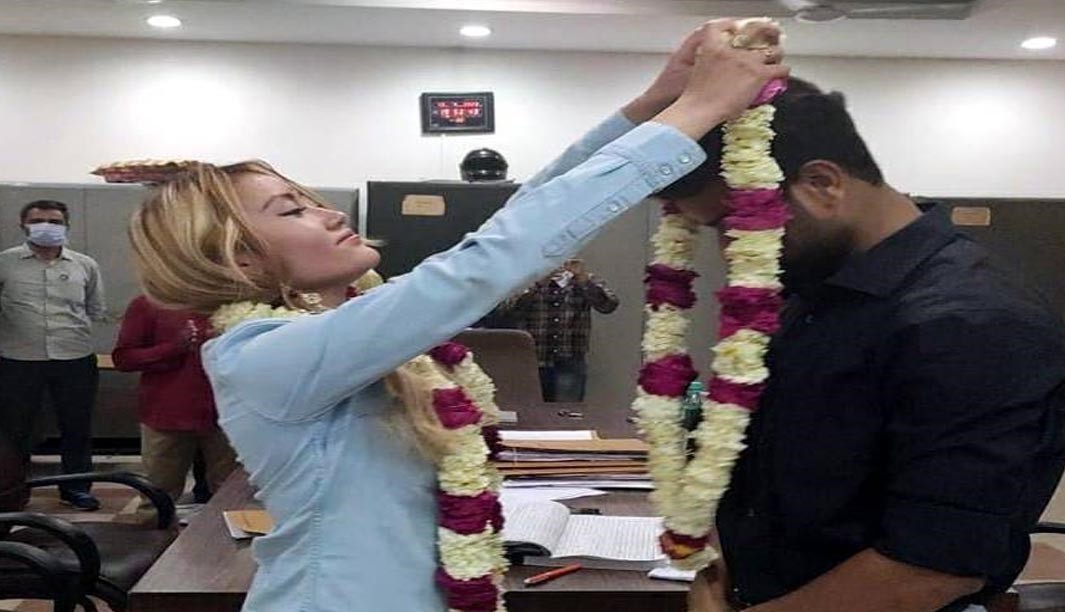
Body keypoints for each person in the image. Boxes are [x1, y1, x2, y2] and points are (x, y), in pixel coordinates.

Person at [124, 20, 788, 612]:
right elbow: (490, 259)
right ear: (238, 258)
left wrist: (656, 105)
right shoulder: (264, 353)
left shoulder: (350, 325)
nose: (327, 212)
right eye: (292, 210)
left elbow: (512, 220)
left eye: (310, 198)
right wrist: (701, 109)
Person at [666, 78, 1065, 612]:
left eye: (733, 223)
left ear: (822, 184)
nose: (728, 250)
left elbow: (930, 570)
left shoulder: (974, 325)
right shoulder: (817, 292)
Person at [0, 200, 105, 511]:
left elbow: (95, 308)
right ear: (23, 225)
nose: (46, 226)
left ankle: (76, 489)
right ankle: (12, 491)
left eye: (55, 221)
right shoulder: (5, 263)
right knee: (16, 429)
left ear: (66, 226)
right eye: (38, 220)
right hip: (18, 359)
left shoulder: (84, 265)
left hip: (74, 358)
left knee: (77, 428)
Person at [112, 295, 239, 514]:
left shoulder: (238, 301)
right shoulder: (150, 303)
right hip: (168, 413)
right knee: (157, 501)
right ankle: (156, 536)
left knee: (232, 498)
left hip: (229, 412)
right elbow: (124, 359)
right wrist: (173, 347)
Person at [503, 258, 619, 401]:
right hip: (530, 361)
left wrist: (584, 280)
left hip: (569, 361)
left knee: (566, 411)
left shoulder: (584, 280)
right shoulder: (527, 280)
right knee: (528, 409)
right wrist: (538, 283)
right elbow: (506, 309)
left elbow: (608, 306)